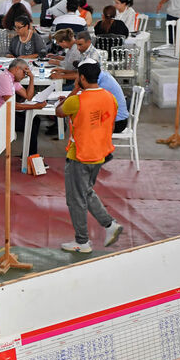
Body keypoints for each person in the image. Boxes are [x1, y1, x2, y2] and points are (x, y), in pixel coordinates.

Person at [55, 61, 123, 253]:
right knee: (86, 191)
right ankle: (109, 225)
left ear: (81, 78)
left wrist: (73, 92)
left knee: (76, 199)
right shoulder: (110, 98)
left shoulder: (76, 100)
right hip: (100, 154)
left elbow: (58, 112)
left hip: (80, 155)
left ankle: (82, 241)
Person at [0, 59, 46, 156]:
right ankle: (31, 156)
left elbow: (28, 96)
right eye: (24, 72)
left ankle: (28, 154)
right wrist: (36, 106)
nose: (25, 75)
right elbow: (12, 105)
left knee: (35, 120)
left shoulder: (12, 79)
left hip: (3, 113)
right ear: (17, 69)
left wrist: (32, 78)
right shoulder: (4, 79)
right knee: (31, 124)